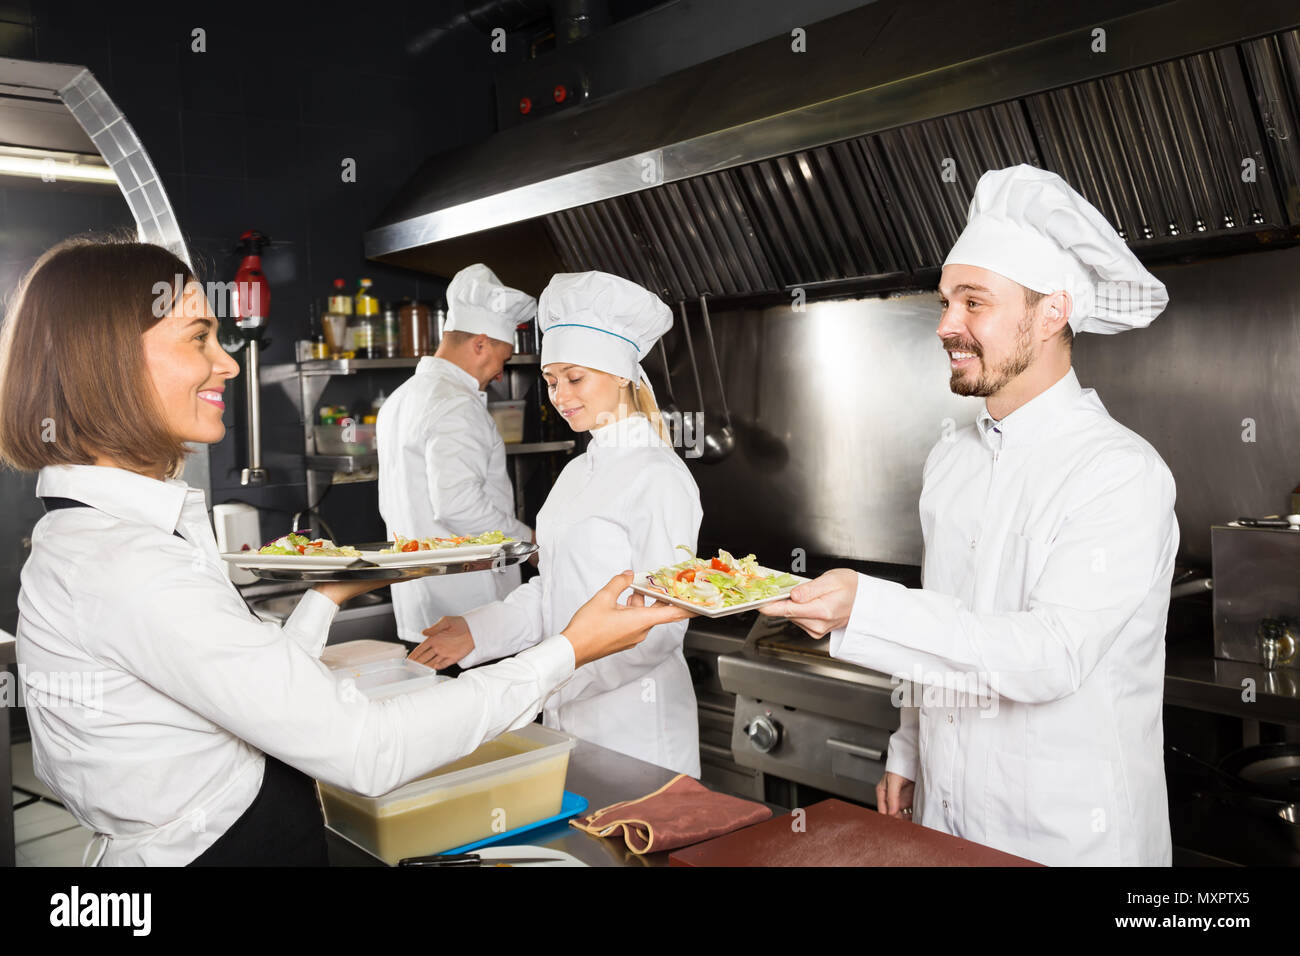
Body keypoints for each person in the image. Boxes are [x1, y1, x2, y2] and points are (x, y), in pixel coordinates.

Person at [1, 239, 688, 866]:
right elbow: (363, 745)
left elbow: (245, 686)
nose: (228, 364)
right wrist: (561, 654)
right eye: (200, 337)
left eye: (575, 379)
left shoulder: (107, 537)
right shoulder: (124, 562)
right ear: (111, 359)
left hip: (629, 728)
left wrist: (325, 597)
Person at [761, 165, 1178, 866]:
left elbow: (1049, 656)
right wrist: (910, 746)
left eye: (974, 302)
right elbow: (947, 613)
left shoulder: (1119, 472)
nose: (946, 326)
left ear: (1051, 314)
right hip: (947, 817)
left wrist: (864, 609)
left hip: (1068, 838)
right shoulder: (951, 458)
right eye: (946, 300)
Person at [410, 271, 704, 777]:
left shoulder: (658, 476)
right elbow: (553, 591)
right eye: (550, 381)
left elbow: (662, 624)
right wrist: (478, 631)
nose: (560, 396)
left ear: (620, 375)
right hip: (571, 724)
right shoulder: (577, 472)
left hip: (640, 735)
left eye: (575, 378)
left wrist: (548, 679)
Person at [376, 264, 536, 644]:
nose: (500, 373)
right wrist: (528, 544)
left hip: (419, 607)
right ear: (480, 343)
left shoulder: (401, 399)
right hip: (470, 615)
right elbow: (458, 505)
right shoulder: (455, 405)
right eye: (503, 357)